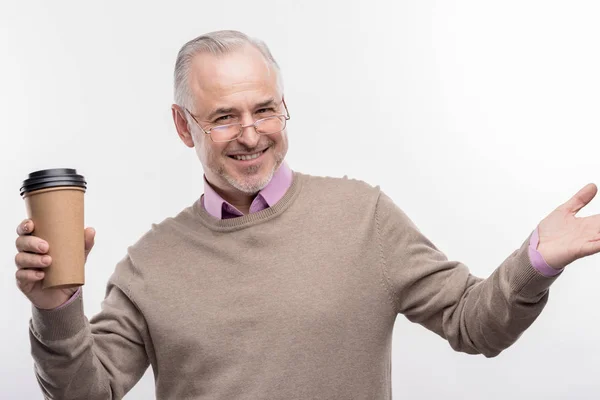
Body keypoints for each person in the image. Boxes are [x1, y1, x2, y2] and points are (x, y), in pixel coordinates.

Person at [14, 30, 600, 400]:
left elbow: (476, 324)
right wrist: (56, 308)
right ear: (182, 125)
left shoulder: (362, 216)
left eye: (265, 109)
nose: (251, 134)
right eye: (223, 117)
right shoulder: (149, 265)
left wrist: (536, 261)